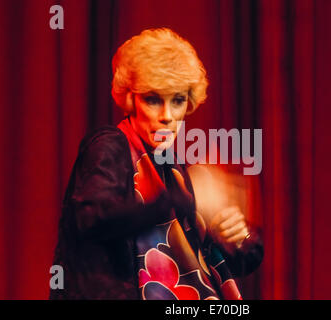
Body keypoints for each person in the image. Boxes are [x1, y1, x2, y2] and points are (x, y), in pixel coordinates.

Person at [50, 28, 263, 300]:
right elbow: (93, 221)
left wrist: (236, 238)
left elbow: (213, 266)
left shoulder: (174, 170)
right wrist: (179, 200)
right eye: (153, 99)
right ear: (131, 99)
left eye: (177, 101)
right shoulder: (109, 144)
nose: (167, 116)